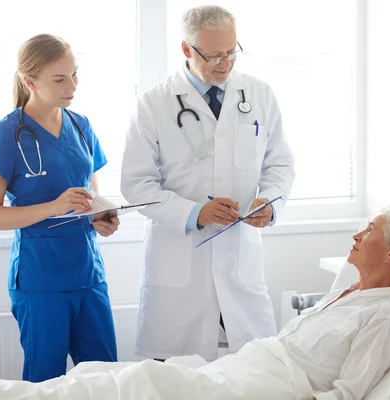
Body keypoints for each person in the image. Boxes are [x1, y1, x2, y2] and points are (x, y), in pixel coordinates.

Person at [0, 206, 390, 400]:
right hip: (250, 365)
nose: (356, 233)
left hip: (268, 388)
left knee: (140, 381)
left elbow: (348, 394)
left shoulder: (384, 315)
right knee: (104, 375)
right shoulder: (345, 292)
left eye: (369, 231)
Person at [121, 5, 296, 361]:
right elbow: (136, 186)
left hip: (239, 260)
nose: (225, 63)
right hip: (180, 265)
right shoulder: (154, 104)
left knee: (255, 370)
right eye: (214, 55)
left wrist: (271, 201)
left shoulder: (259, 95)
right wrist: (195, 213)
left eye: (232, 52)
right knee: (178, 378)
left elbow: (279, 163)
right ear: (187, 50)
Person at [0, 34, 120, 382]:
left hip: (88, 274)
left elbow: (91, 197)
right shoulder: (6, 134)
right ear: (30, 81)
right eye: (59, 79)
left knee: (105, 378)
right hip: (40, 279)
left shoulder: (81, 125)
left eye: (74, 74)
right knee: (45, 381)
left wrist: (102, 217)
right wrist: (52, 207)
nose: (72, 86)